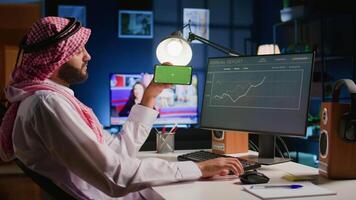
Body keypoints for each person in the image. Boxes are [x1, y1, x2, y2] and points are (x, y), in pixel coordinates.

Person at [0, 17, 244, 200]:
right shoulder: (47, 104)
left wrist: (149, 96)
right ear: (53, 57)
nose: (88, 56)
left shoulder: (49, 100)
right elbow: (116, 175)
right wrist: (198, 168)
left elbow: (118, 152)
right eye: (78, 50)